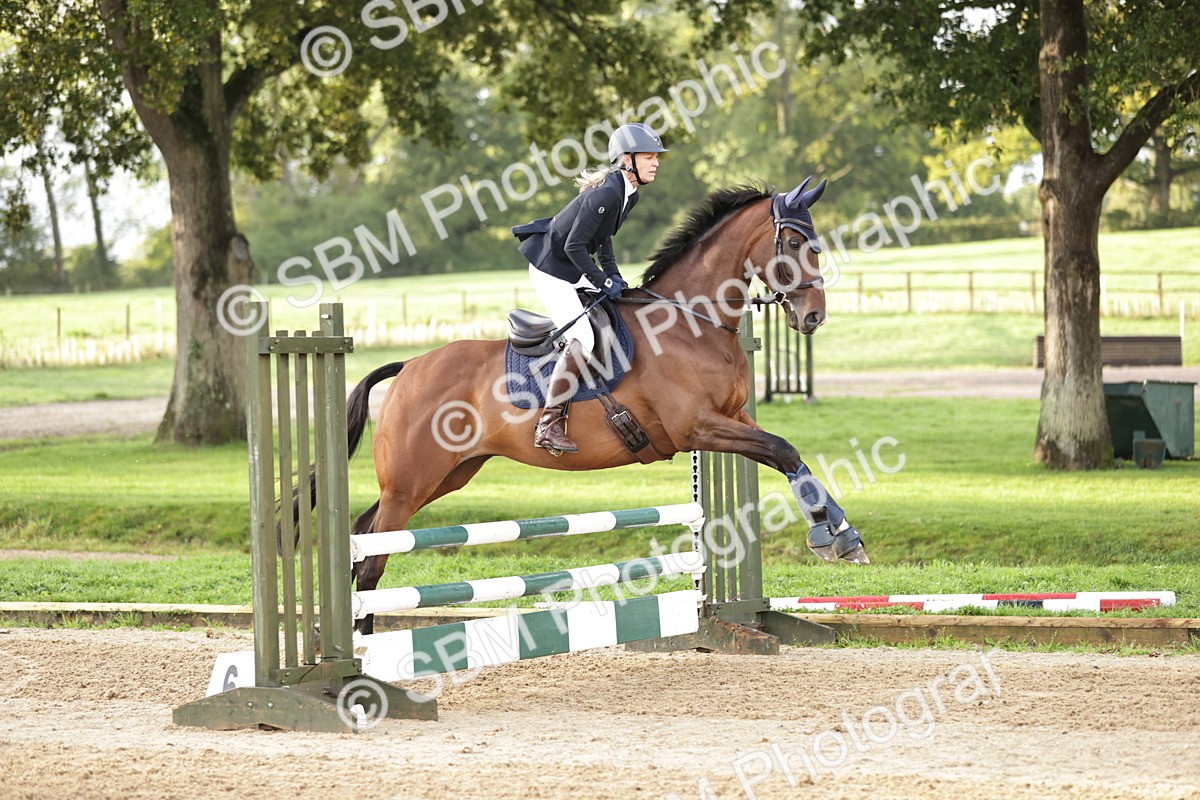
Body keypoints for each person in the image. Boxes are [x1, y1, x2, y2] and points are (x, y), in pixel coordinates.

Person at [512, 122, 667, 455]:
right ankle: (548, 425)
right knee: (586, 335)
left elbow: (604, 240)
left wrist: (614, 277)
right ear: (627, 160)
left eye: (657, 157)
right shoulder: (608, 192)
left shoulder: (628, 193)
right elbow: (574, 247)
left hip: (571, 263)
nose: (656, 163)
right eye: (650, 157)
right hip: (551, 268)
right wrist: (600, 281)